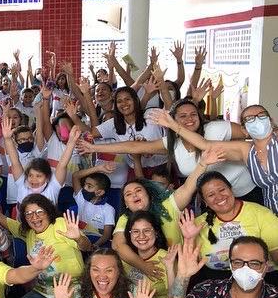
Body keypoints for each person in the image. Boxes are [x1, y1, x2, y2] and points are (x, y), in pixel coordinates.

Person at [78, 101, 259, 202]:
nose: (189, 119)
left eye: (193, 114)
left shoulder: (217, 129)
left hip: (249, 191)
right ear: (173, 121)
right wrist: (94, 147)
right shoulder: (172, 143)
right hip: (213, 199)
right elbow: (133, 147)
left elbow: (249, 132)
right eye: (182, 116)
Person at [0, 194, 90, 298]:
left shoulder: (60, 224)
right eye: (29, 214)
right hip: (43, 290)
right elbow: (8, 223)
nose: (34, 217)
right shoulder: (30, 233)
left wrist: (78, 238)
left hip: (72, 287)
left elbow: (85, 247)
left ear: (48, 211)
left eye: (39, 211)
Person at [111, 147, 224, 279]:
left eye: (138, 191)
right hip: (141, 273)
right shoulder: (125, 218)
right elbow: (118, 245)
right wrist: (144, 266)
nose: (134, 195)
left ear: (149, 194)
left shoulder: (169, 205)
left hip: (181, 268)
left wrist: (203, 164)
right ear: (125, 203)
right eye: (128, 194)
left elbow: (188, 188)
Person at [151, 105, 278, 213]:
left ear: (270, 121)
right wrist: (173, 125)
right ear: (244, 130)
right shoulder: (246, 150)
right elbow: (205, 145)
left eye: (262, 116)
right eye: (250, 119)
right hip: (271, 212)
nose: (257, 120)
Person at [180, 171, 278, 285]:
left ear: (231, 189)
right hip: (218, 285)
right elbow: (191, 269)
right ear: (205, 202)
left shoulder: (261, 214)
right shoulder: (196, 225)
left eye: (222, 190)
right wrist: (189, 239)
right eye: (211, 195)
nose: (219, 197)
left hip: (265, 279)